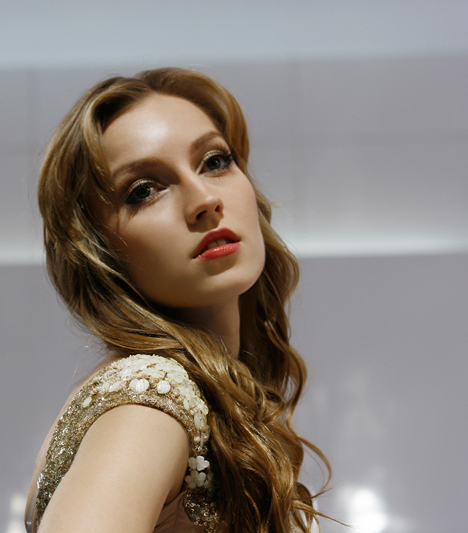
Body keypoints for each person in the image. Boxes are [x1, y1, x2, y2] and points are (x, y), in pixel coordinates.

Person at [25, 67, 329, 533]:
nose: (204, 199)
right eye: (144, 191)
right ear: (99, 252)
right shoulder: (151, 398)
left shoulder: (194, 395)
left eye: (215, 161)